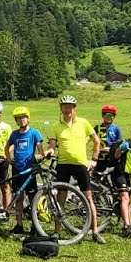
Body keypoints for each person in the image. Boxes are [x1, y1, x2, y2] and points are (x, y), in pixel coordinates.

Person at [47, 95, 105, 244]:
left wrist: (94, 160)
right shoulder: (56, 126)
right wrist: (49, 151)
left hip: (80, 165)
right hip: (63, 165)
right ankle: (57, 231)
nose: (67, 109)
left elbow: (96, 140)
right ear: (61, 109)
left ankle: (95, 231)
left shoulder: (83, 123)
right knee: (61, 197)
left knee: (88, 197)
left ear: (74, 108)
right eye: (64, 106)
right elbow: (52, 145)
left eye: (70, 107)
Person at [5, 106, 49, 234]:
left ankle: (35, 225)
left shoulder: (34, 133)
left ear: (28, 118)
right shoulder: (14, 134)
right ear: (16, 121)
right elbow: (7, 147)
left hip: (30, 170)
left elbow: (41, 150)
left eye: (24, 117)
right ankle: (19, 224)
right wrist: (9, 159)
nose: (22, 120)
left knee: (32, 197)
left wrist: (41, 156)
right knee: (18, 197)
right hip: (17, 169)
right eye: (19, 118)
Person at [93, 104, 123, 180]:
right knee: (97, 175)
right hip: (100, 156)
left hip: (112, 156)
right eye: (106, 115)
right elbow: (89, 137)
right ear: (102, 116)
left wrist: (110, 146)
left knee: (113, 175)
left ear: (114, 117)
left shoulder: (116, 128)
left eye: (111, 115)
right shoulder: (97, 127)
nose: (109, 117)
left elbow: (120, 141)